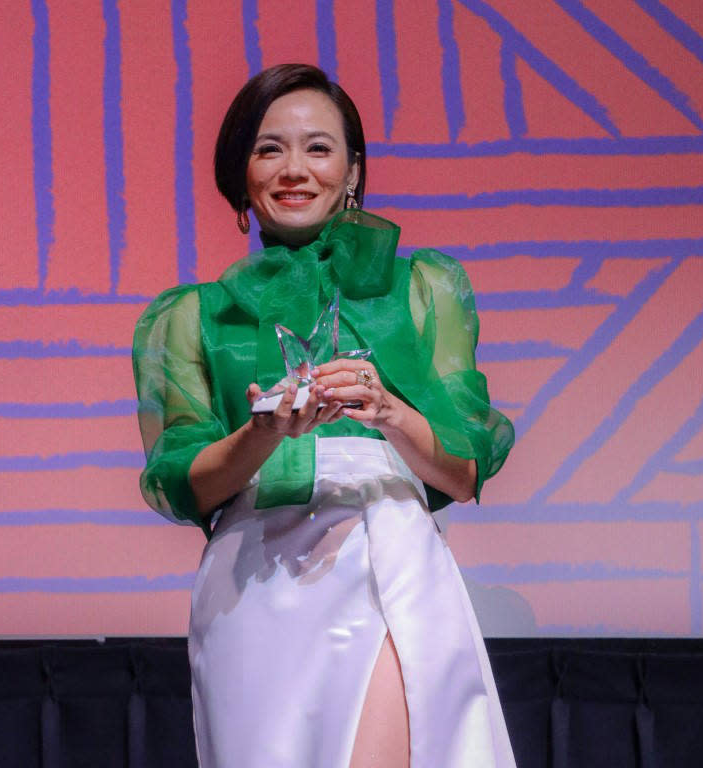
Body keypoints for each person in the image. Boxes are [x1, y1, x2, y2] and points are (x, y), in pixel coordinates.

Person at [132, 63, 516, 768]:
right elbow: (188, 483)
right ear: (241, 175)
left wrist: (388, 413)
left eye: (317, 148)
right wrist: (263, 431)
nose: (293, 169)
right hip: (257, 582)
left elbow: (463, 474)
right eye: (268, 148)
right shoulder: (193, 316)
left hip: (386, 549)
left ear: (353, 171)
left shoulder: (424, 286)